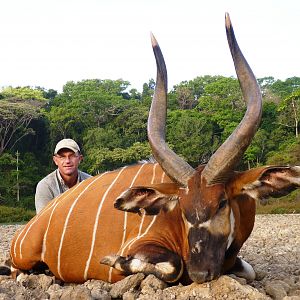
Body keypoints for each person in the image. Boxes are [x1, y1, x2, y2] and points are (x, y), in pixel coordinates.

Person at [35, 138, 91, 213]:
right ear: (55, 160)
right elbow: (43, 220)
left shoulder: (90, 182)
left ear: (80, 159)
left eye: (72, 156)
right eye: (62, 157)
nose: (67, 161)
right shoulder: (46, 186)